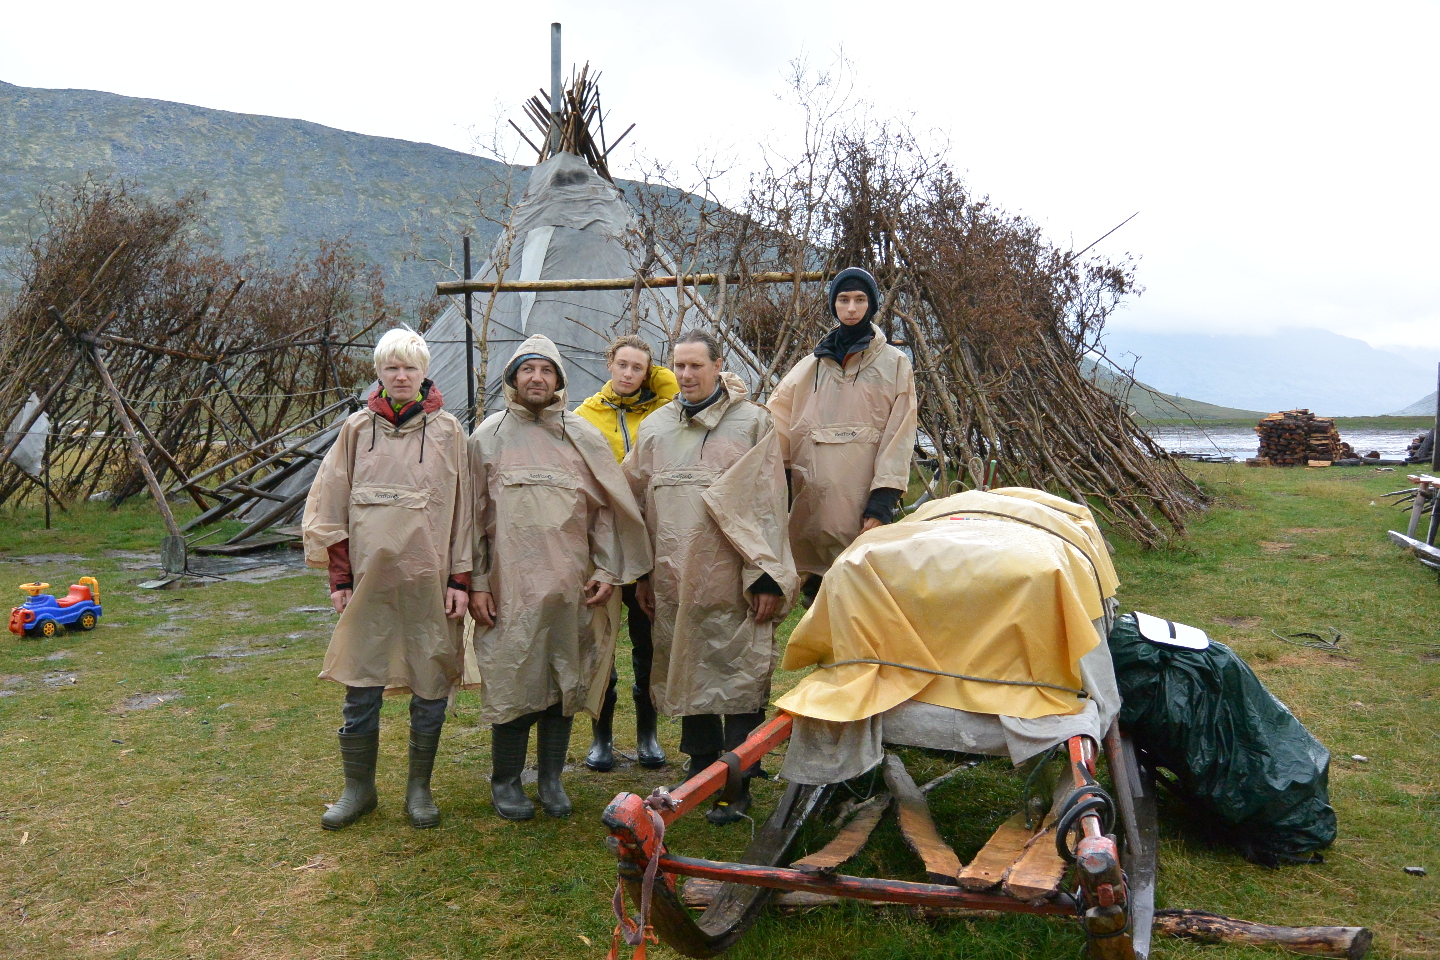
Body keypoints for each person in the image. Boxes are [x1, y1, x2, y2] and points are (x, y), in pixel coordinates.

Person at [469, 334, 651, 820]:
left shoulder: (582, 437)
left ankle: (550, 780)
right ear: (512, 378)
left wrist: (609, 569)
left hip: (572, 587)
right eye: (527, 370)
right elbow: (471, 518)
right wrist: (478, 583)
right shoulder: (488, 437)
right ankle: (506, 782)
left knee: (563, 679)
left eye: (546, 370)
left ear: (559, 381)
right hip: (509, 591)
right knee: (512, 681)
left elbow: (606, 513)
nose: (537, 378)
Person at [623, 329, 796, 824]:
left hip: (734, 578)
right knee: (688, 671)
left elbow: (767, 503)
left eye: (696, 365)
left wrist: (764, 574)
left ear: (719, 366)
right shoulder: (655, 429)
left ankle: (735, 782)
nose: (686, 374)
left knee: (738, 675)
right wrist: (642, 575)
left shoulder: (752, 424)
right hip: (675, 580)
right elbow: (636, 506)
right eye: (679, 365)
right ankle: (700, 771)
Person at [302, 328, 472, 831]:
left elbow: (463, 512)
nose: (401, 376)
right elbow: (330, 503)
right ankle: (359, 789)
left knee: (430, 679)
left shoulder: (449, 433)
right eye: (392, 368)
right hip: (368, 583)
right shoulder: (356, 430)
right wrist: (340, 577)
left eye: (410, 368)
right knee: (361, 677)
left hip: (428, 579)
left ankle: (419, 789)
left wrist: (459, 580)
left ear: (423, 373)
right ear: (378, 372)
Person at [767, 267, 917, 603]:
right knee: (818, 609)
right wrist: (781, 488)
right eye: (843, 299)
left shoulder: (894, 365)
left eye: (860, 300)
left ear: (872, 305)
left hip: (863, 509)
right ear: (833, 305)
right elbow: (775, 427)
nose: (851, 308)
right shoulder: (809, 368)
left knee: (861, 604)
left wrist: (883, 502)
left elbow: (900, 434)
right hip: (813, 511)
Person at [574, 335, 679, 772]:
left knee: (646, 638)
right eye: (622, 365)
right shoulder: (584, 415)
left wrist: (657, 374)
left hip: (646, 538)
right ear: (609, 364)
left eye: (639, 368)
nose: (629, 374)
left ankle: (647, 734)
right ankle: (601, 735)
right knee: (601, 638)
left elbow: (676, 390)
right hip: (599, 540)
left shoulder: (660, 410)